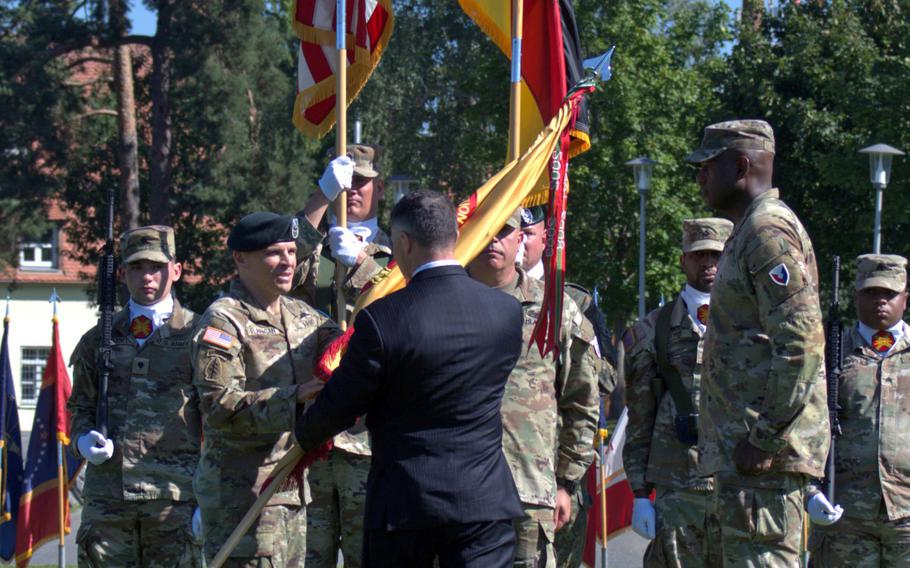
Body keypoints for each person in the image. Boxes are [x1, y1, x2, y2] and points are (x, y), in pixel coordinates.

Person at [294, 190, 524, 568]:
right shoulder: (506, 312)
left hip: (405, 505)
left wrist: (300, 440)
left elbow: (343, 403)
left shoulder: (383, 319)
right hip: (483, 502)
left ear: (403, 242)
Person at [688, 119, 829, 566]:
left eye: (709, 165)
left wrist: (764, 439)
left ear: (742, 166)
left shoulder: (766, 232)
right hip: (747, 464)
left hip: (765, 465)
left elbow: (802, 344)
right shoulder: (747, 231)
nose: (701, 176)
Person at [192, 212, 340, 567]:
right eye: (275, 253)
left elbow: (348, 345)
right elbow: (218, 405)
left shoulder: (304, 317)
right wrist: (296, 395)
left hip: (291, 492)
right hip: (241, 497)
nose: (288, 262)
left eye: (291, 252)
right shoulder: (224, 321)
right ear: (241, 259)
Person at [467, 209, 600, 568]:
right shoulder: (444, 302)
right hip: (455, 492)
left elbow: (582, 401)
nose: (493, 240)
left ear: (519, 239)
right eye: (486, 230)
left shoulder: (554, 308)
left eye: (505, 231)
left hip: (528, 490)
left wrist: (566, 482)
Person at [69, 225, 202, 567]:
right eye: (138, 267)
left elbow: (215, 417)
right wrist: (83, 440)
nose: (147, 277)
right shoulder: (98, 339)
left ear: (176, 270)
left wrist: (207, 496)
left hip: (174, 497)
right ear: (123, 272)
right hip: (108, 499)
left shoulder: (197, 335)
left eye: (156, 267)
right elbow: (79, 405)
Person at [293, 145, 390, 568]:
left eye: (362, 182)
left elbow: (407, 302)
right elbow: (279, 263)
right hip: (312, 425)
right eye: (345, 182)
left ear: (379, 188)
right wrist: (319, 198)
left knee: (365, 556)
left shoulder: (398, 250)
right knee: (306, 556)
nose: (352, 191)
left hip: (366, 435)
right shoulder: (314, 246)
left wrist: (364, 262)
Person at [623, 217, 733, 568]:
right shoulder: (654, 330)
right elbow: (640, 419)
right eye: (699, 255)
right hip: (678, 491)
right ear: (683, 260)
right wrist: (640, 493)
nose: (709, 264)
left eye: (716, 255)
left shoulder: (752, 326)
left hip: (738, 486)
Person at [808, 254, 910, 567]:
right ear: (855, 297)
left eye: (889, 294)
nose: (880, 301)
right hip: (844, 513)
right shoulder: (826, 351)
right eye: (870, 292)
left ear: (906, 299)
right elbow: (805, 424)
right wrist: (810, 491)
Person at [520, 205, 546, 279]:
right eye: (510, 232)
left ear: (544, 240)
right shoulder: (486, 287)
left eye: (527, 233)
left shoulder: (556, 289)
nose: (518, 240)